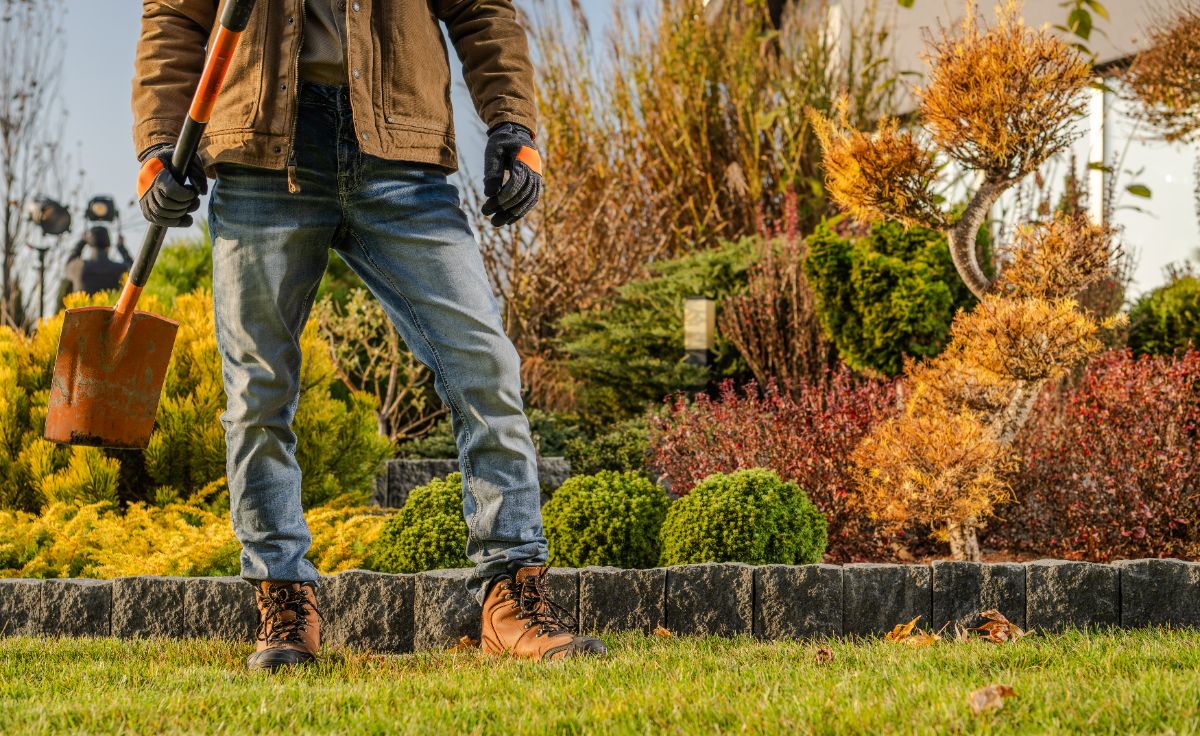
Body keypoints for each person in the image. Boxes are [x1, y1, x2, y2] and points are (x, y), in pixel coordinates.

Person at [133, 0, 604, 670]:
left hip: (400, 154)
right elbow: (175, 17)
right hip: (264, 153)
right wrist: (157, 144)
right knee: (257, 391)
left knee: (486, 368)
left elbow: (482, 9)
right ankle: (284, 605)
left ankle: (512, 598)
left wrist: (513, 122)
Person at [56, 226, 135, 309]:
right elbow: (135, 271)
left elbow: (68, 265)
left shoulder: (79, 267)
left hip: (83, 317)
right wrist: (122, 248)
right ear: (108, 247)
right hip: (110, 318)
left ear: (90, 246)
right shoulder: (119, 269)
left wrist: (81, 243)